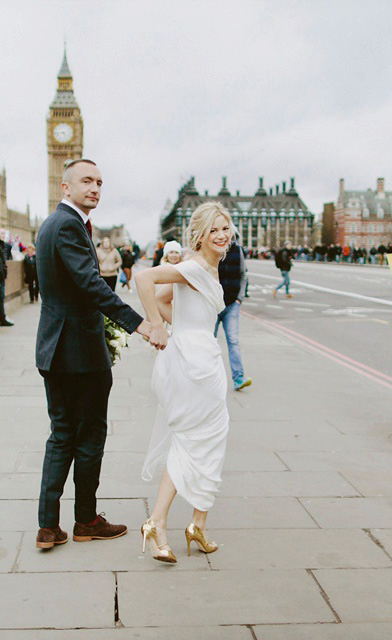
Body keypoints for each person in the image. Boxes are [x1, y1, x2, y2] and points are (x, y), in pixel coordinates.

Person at [33, 159, 166, 550]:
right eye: (87, 181)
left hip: (52, 349)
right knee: (89, 435)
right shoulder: (68, 225)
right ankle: (87, 520)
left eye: (100, 183)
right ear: (65, 187)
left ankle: (48, 526)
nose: (95, 188)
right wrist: (139, 324)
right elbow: (91, 284)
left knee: (61, 435)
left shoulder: (51, 225)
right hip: (80, 353)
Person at [134, 201, 232, 564]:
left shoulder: (203, 267)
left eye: (225, 228)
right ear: (201, 235)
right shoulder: (197, 266)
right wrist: (157, 326)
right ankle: (164, 522)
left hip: (195, 353)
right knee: (199, 440)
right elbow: (145, 279)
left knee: (203, 439)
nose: (221, 235)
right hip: (197, 364)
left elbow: (162, 298)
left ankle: (192, 525)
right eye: (214, 230)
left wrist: (182, 327)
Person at [216, 227, 251, 391]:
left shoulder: (238, 251)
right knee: (209, 340)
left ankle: (238, 378)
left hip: (231, 305)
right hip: (214, 305)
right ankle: (209, 378)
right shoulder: (213, 250)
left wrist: (239, 299)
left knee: (233, 340)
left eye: (229, 234)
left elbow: (243, 274)